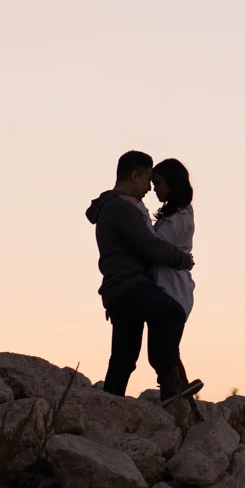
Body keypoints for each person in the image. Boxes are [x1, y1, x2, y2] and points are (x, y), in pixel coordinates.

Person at [85, 149, 202, 401]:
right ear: (134, 175)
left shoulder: (115, 205)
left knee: (124, 356)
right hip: (129, 286)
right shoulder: (122, 208)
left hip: (118, 289)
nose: (150, 187)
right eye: (148, 179)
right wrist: (182, 259)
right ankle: (171, 385)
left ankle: (109, 404)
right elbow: (149, 244)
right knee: (170, 313)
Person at [150, 158, 195, 316]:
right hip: (171, 294)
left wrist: (137, 211)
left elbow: (154, 246)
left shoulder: (179, 216)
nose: (154, 189)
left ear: (172, 182)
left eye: (158, 183)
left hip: (172, 293)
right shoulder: (179, 214)